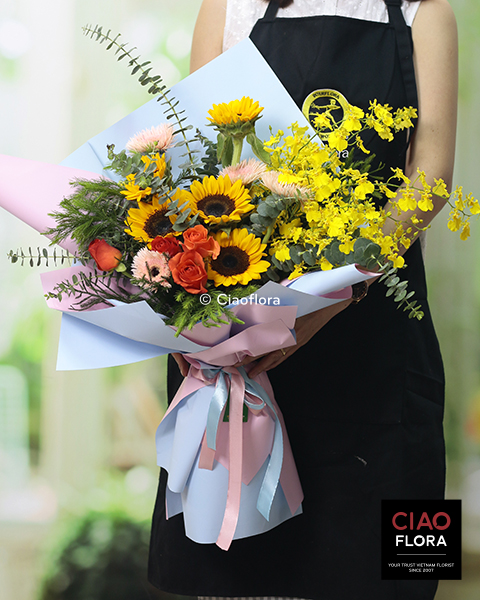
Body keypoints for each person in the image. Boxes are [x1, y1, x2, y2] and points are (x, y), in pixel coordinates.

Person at [148, 1, 458, 599]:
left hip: (377, 348)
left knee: (402, 573)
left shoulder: (425, 9)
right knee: (234, 572)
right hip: (242, 354)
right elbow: (198, 165)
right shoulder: (229, 6)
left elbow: (431, 178)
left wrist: (323, 301)